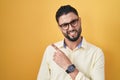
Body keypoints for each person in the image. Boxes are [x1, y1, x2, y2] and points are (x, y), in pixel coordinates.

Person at [37, 5, 104, 80]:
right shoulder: (50, 50)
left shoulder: (96, 53)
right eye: (65, 25)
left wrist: (68, 66)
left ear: (79, 20)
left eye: (74, 22)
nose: (71, 28)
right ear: (60, 27)